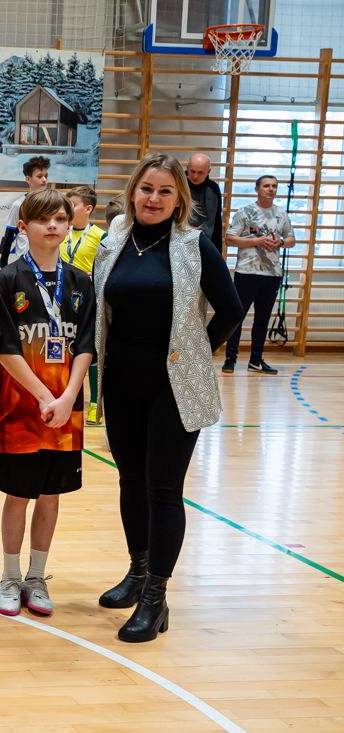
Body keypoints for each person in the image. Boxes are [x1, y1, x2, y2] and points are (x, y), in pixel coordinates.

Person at [92, 153, 240, 642]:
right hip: (120, 381)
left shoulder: (194, 244)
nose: (153, 198)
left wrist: (196, 353)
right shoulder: (114, 239)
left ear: (180, 200)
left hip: (173, 387)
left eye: (165, 191)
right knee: (130, 481)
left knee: (162, 489)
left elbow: (231, 309)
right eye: (146, 188)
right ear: (133, 191)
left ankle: (156, 597)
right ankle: (138, 573)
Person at [0, 188, 95, 618]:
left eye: (60, 219)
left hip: (65, 411)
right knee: (18, 495)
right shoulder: (6, 280)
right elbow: (4, 347)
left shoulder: (81, 282)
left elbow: (85, 344)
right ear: (23, 226)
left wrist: (68, 397)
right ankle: (10, 577)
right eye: (43, 219)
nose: (53, 225)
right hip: (21, 410)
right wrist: (44, 396)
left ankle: (36, 577)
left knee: (51, 495)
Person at [223, 174, 294, 375]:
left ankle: (256, 360)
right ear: (257, 189)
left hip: (272, 275)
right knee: (237, 317)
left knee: (262, 320)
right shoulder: (245, 212)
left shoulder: (281, 214)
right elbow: (230, 239)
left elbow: (291, 239)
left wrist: (281, 242)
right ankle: (231, 358)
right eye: (266, 186)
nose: (271, 189)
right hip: (247, 273)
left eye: (274, 186)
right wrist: (256, 241)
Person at [62, 184, 106, 422]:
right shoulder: (61, 231)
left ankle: (95, 403)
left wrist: (95, 276)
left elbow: (107, 270)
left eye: (73, 205)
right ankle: (66, 398)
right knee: (65, 350)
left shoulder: (101, 236)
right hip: (61, 301)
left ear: (88, 209)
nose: (67, 209)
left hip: (89, 301)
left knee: (91, 353)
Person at [0, 157, 50, 266]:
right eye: (39, 176)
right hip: (25, 263)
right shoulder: (18, 205)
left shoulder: (52, 204)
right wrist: (3, 264)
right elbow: (9, 236)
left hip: (47, 262)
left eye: (46, 176)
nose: (44, 180)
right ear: (28, 179)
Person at [185, 152, 224, 254]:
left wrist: (218, 253)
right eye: (192, 171)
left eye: (200, 173)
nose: (195, 176)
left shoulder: (213, 188)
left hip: (205, 246)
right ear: (187, 168)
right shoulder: (178, 186)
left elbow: (217, 223)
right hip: (180, 245)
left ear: (208, 171)